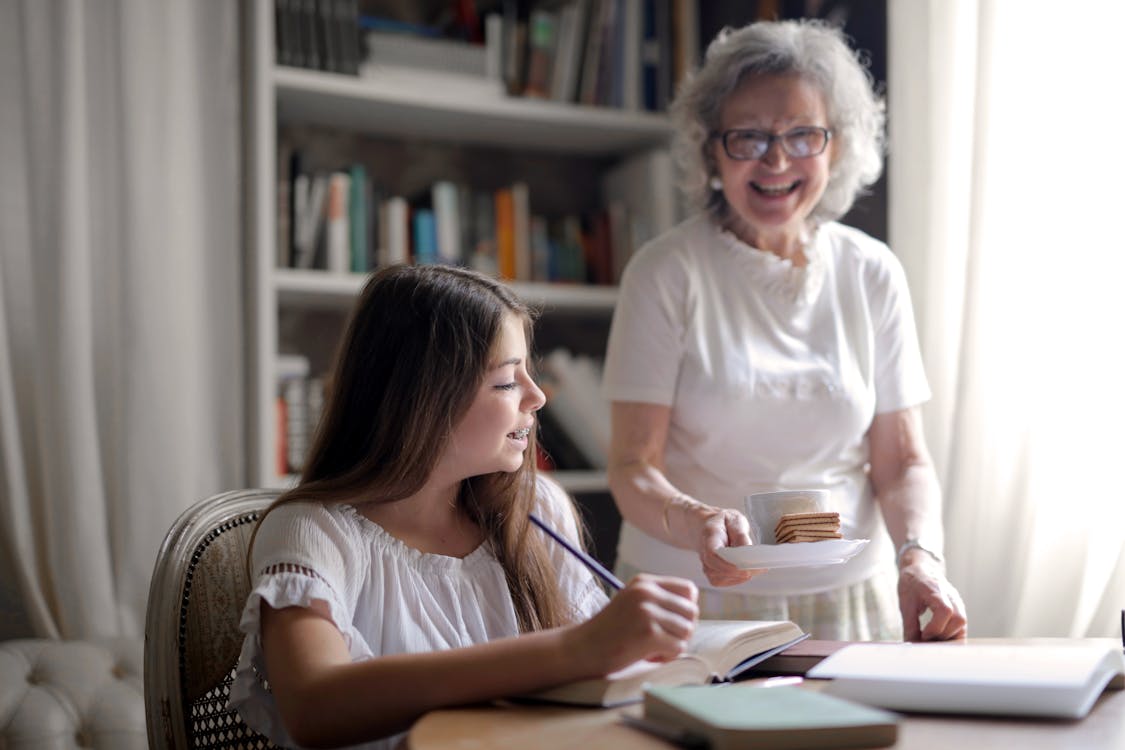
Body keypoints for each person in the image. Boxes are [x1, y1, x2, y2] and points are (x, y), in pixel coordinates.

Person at [230, 264, 699, 750]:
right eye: (505, 382)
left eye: (528, 374)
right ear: (421, 399)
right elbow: (313, 706)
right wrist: (574, 650)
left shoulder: (537, 511)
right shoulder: (315, 533)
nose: (537, 397)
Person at [602, 19, 967, 643]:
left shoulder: (872, 271)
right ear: (710, 148)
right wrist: (694, 522)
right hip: (688, 596)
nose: (776, 160)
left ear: (837, 146)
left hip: (849, 593)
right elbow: (633, 466)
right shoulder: (664, 273)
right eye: (748, 137)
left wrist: (919, 556)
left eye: (803, 135)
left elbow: (903, 461)